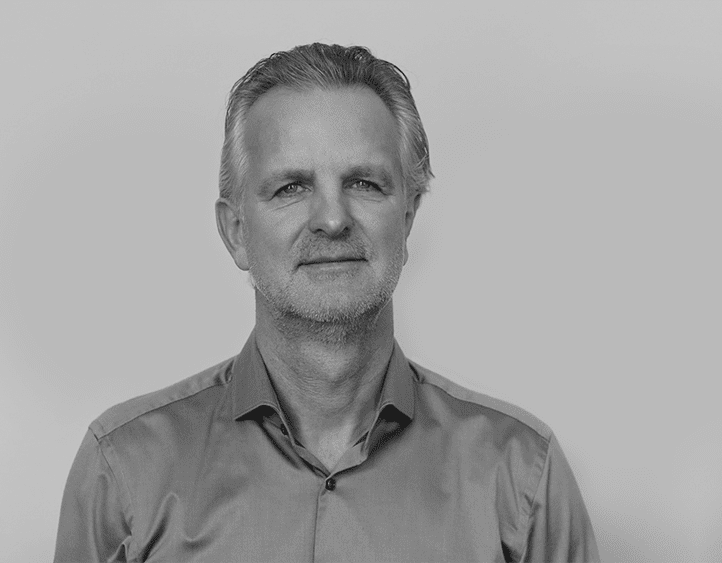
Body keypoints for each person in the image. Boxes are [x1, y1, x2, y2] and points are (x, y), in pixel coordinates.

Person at [54, 43, 599, 563]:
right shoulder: (124, 469)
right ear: (236, 231)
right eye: (291, 187)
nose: (333, 219)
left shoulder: (521, 475)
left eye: (364, 183)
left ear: (407, 219)